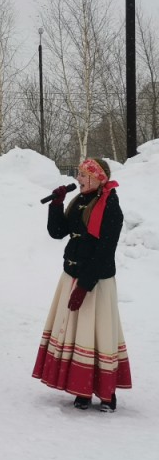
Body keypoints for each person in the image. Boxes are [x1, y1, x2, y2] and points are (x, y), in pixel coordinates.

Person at [32, 158, 132, 412]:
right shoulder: (80, 201)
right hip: (72, 274)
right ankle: (82, 389)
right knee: (77, 332)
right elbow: (58, 232)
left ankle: (107, 393)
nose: (79, 179)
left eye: (84, 175)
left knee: (97, 331)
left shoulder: (110, 207)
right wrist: (57, 204)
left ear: (99, 178)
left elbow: (104, 252)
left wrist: (85, 287)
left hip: (96, 281)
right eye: (78, 174)